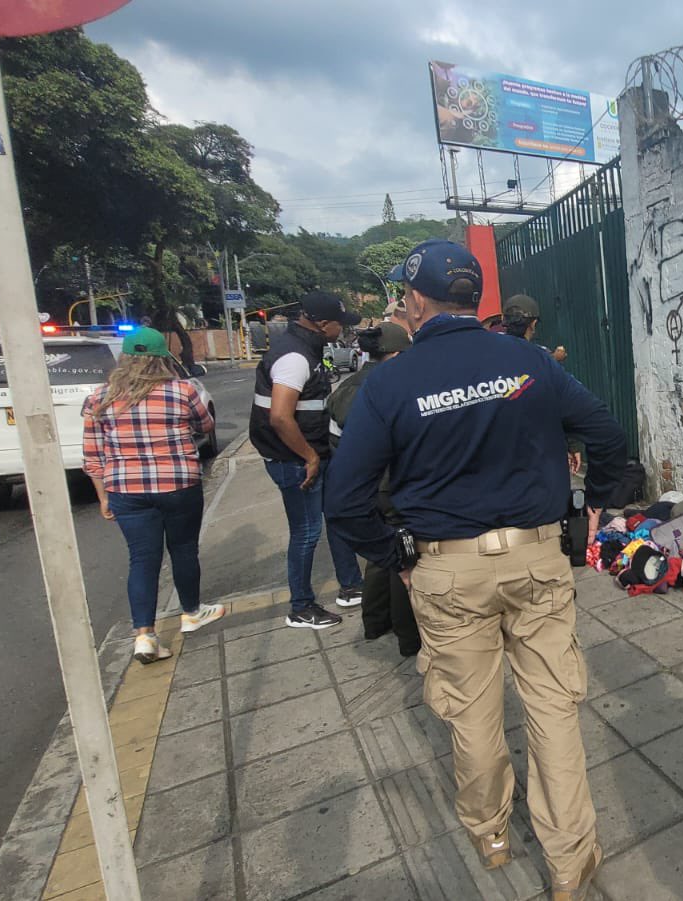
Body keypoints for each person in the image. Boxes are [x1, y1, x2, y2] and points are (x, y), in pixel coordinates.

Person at [325, 239, 626, 900]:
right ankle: (569, 862)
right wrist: (593, 506)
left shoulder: (390, 382)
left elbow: (343, 500)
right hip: (537, 560)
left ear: (413, 301)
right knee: (553, 710)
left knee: (473, 715)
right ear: (475, 298)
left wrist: (393, 557)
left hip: (446, 570)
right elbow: (605, 435)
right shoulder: (528, 362)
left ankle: (491, 836)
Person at [82, 327, 225, 663]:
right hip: (178, 485)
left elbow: (92, 456)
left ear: (125, 358)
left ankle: (144, 636)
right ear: (164, 358)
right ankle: (191, 612)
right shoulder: (182, 390)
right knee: (184, 548)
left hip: (126, 490)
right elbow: (205, 425)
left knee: (142, 560)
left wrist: (103, 498)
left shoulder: (99, 398)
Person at [249, 291, 362, 629]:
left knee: (336, 516)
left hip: (308, 452)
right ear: (323, 324)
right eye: (340, 325)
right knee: (306, 531)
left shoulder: (303, 349)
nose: (341, 331)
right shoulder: (294, 357)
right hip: (294, 459)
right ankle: (300, 606)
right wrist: (310, 457)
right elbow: (281, 417)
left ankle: (352, 586)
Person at [325, 321, 420, 658]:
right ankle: (409, 637)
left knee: (379, 555)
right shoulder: (391, 388)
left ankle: (374, 622)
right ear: (395, 354)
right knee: (403, 554)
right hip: (391, 483)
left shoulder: (345, 388)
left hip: (361, 487)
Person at [503, 293, 582, 473]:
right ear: (533, 324)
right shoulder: (543, 359)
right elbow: (562, 404)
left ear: (503, 321)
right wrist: (573, 444)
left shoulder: (489, 357)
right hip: (541, 456)